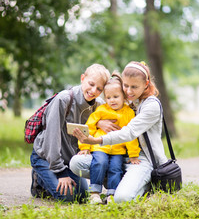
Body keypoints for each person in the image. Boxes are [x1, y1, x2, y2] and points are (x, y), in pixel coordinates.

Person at [70, 61, 168, 203]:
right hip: (119, 153)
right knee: (76, 163)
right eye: (126, 86)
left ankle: (144, 183)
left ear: (146, 84)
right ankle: (118, 183)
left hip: (141, 159)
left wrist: (97, 140)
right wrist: (99, 123)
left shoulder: (151, 105)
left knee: (121, 199)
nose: (128, 91)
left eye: (134, 87)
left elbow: (129, 132)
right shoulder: (126, 100)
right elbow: (103, 112)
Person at [30, 64, 110, 202]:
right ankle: (39, 179)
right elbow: (51, 138)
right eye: (91, 84)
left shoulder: (99, 106)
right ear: (82, 78)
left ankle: (53, 176)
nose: (93, 91)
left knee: (83, 196)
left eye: (99, 88)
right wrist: (61, 173)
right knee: (68, 196)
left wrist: (99, 122)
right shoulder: (64, 99)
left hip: (69, 161)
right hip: (46, 157)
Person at [77, 72, 141, 204]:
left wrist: (133, 154)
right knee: (100, 163)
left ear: (124, 97)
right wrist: (85, 146)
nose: (112, 100)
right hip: (100, 146)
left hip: (118, 149)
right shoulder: (101, 110)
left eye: (116, 96)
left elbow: (131, 135)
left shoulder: (128, 113)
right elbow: (89, 127)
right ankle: (94, 193)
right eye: (108, 97)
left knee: (115, 168)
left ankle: (111, 194)